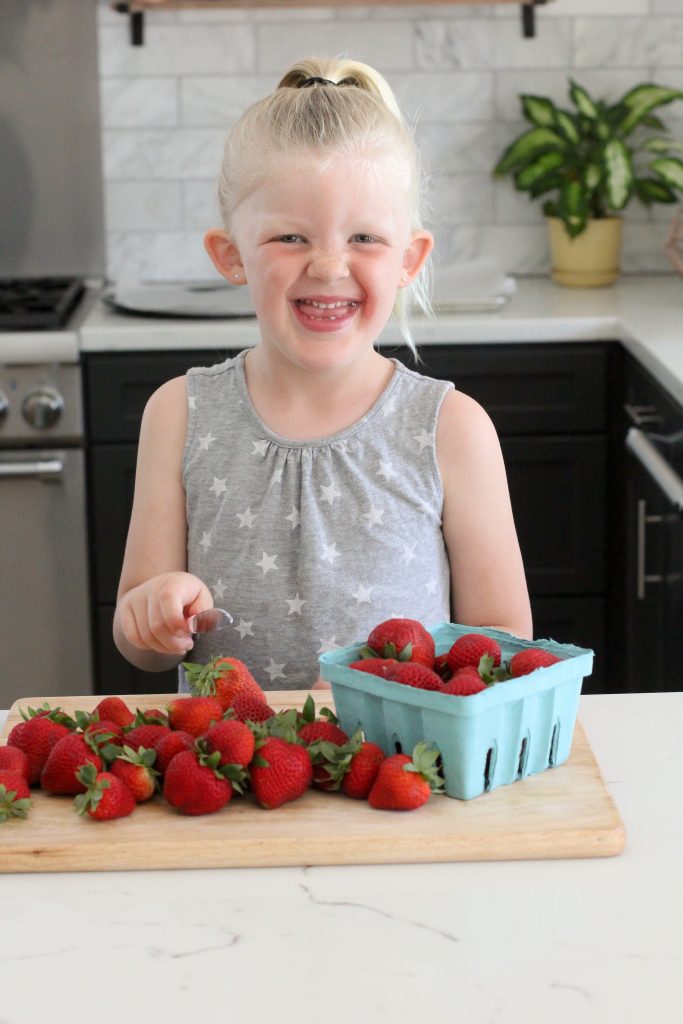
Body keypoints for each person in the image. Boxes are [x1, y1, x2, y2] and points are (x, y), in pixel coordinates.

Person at [113, 56, 532, 691]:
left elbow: (504, 645)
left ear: (409, 259)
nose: (330, 266)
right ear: (231, 256)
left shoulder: (451, 427)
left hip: (395, 774)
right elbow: (137, 641)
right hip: (234, 780)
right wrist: (152, 615)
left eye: (365, 237)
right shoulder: (179, 413)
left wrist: (389, 683)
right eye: (290, 238)